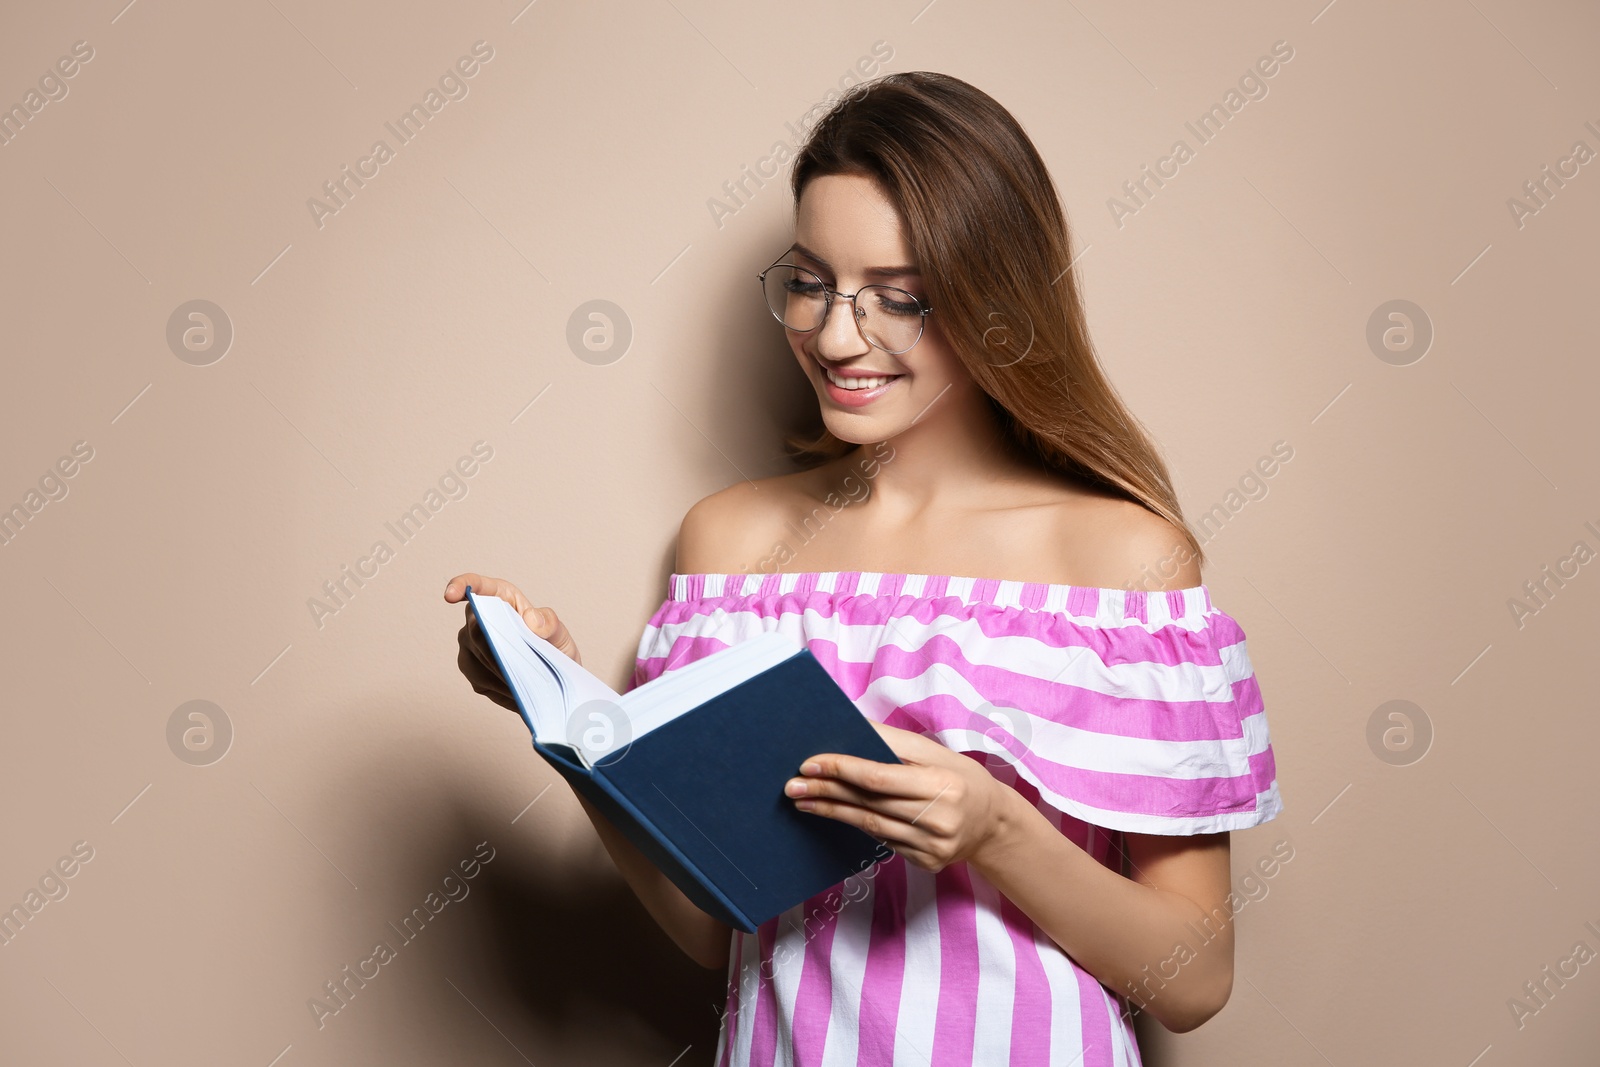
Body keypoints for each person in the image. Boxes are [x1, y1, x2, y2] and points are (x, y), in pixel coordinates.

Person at [446, 70, 1281, 1066]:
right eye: (810, 281)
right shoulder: (732, 546)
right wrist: (569, 718)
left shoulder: (1119, 565)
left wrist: (995, 827)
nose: (838, 336)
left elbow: (1192, 977)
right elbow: (717, 929)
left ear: (996, 300)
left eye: (900, 298)